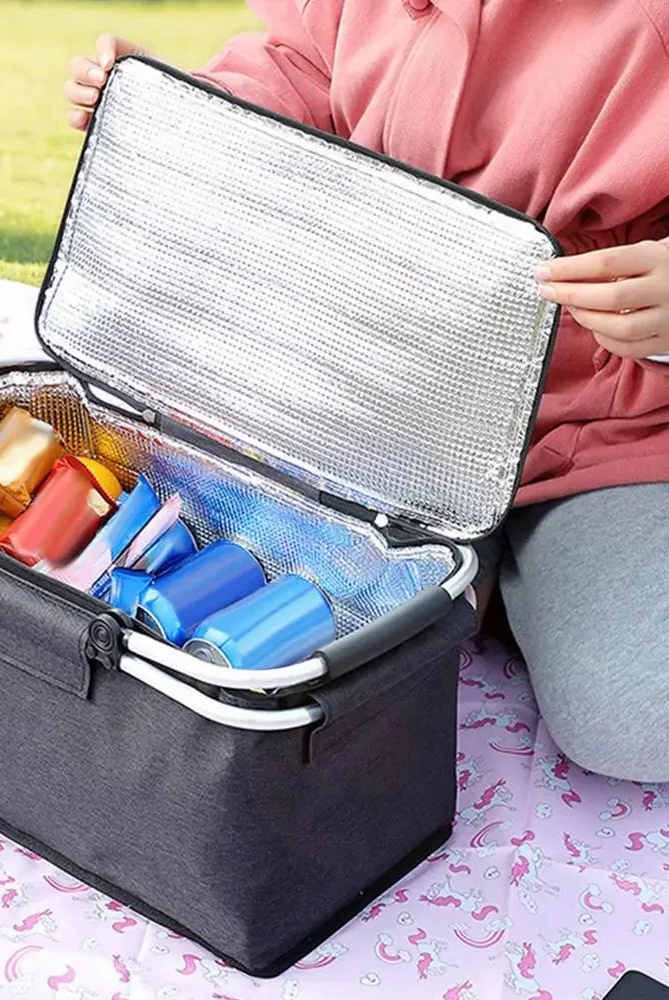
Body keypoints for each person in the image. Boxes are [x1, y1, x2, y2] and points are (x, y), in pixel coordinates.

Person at [63, 4, 669, 784]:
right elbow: (300, 73)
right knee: (200, 605)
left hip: (602, 426)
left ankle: (508, 580)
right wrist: (181, 110)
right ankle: (485, 584)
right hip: (372, 401)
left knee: (634, 714)